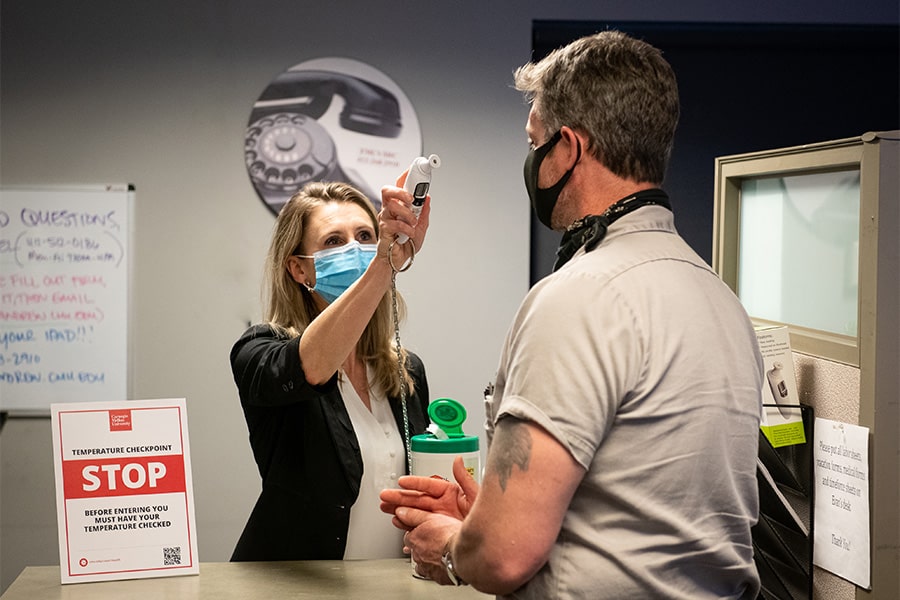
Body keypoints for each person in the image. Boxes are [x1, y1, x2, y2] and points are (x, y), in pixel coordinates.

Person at [380, 30, 763, 599]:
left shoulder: (579, 296)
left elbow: (505, 558)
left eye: (535, 141)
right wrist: (488, 515)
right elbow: (644, 509)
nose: (531, 161)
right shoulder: (719, 299)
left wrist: (456, 549)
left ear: (568, 148)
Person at [231, 179, 432, 561]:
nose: (356, 250)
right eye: (334, 242)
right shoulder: (258, 352)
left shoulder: (406, 372)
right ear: (298, 269)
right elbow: (312, 366)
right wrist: (383, 265)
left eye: (365, 236)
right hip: (296, 588)